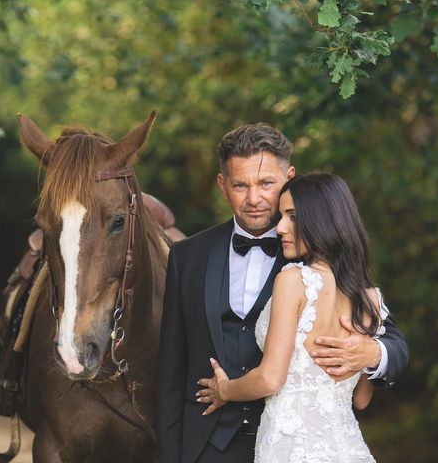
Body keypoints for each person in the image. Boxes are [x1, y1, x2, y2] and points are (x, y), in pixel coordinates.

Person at [157, 125, 408, 463]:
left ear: (289, 177)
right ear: (222, 185)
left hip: (284, 443)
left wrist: (373, 354)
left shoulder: (312, 254)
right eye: (240, 185)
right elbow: (171, 372)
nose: (254, 198)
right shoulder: (187, 257)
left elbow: (392, 343)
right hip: (207, 446)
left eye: (266, 184)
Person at [197, 173, 395, 462]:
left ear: (322, 219)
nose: (280, 227)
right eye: (281, 216)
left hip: (290, 446)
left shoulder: (294, 280)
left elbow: (270, 378)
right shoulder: (371, 298)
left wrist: (225, 389)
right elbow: (361, 400)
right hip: (347, 447)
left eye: (292, 216)